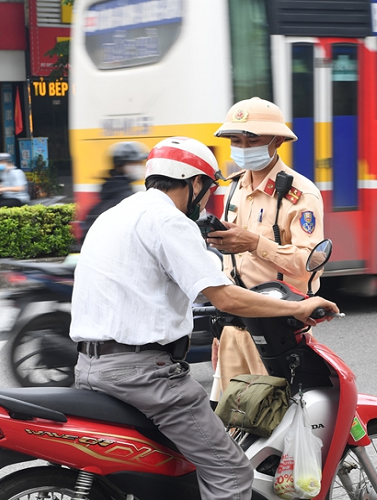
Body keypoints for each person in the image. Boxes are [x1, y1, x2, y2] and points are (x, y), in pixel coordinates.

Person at [71, 136, 339, 500]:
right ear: (193, 183)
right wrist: (298, 307)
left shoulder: (115, 214)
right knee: (230, 470)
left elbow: (146, 287)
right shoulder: (169, 221)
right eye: (206, 187)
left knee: (171, 466)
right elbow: (226, 295)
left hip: (91, 366)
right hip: (145, 377)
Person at [207, 97, 326, 396]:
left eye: (252, 139)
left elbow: (308, 264)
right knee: (232, 422)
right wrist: (220, 333)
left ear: (276, 140)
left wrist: (255, 243)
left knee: (279, 421)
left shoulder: (300, 195)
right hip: (234, 327)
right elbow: (227, 267)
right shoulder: (234, 187)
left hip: (278, 330)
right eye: (236, 140)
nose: (243, 148)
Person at [80, 141, 148, 243]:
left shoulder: (108, 195)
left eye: (140, 163)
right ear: (119, 166)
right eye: (134, 162)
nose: (140, 166)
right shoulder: (130, 200)